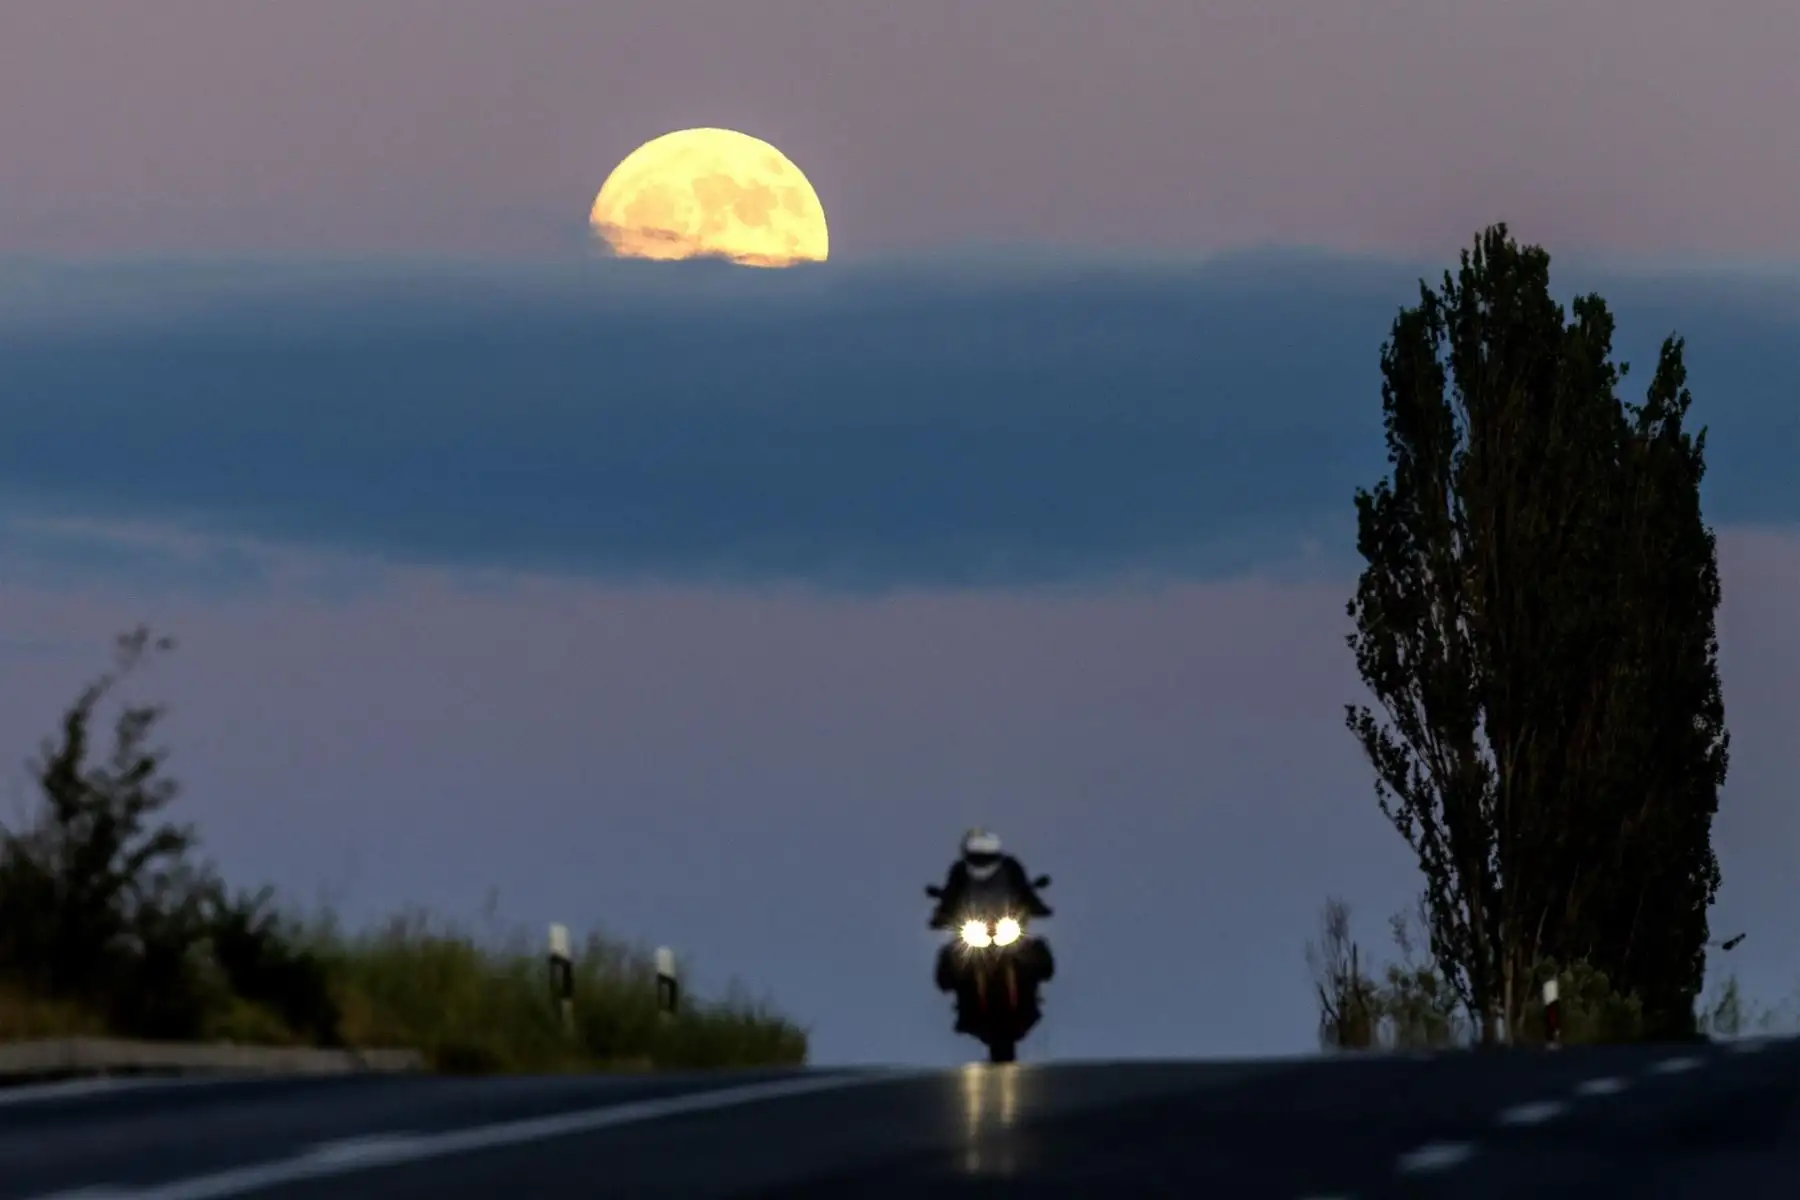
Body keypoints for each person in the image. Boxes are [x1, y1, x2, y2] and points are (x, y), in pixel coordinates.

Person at [930, 828, 1055, 1030]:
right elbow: (950, 897)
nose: (982, 860)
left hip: (1006, 925)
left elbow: (1024, 890)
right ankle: (965, 1006)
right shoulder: (959, 871)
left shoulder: (1010, 867)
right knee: (951, 955)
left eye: (986, 855)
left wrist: (1037, 907)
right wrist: (940, 916)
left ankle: (1030, 997)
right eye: (977, 855)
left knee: (1034, 949)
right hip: (974, 928)